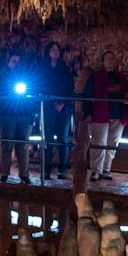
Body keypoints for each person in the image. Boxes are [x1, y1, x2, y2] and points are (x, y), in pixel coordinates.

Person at [0, 50, 36, 184]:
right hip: (8, 114)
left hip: (24, 113)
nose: (16, 64)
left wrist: (31, 112)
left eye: (18, 61)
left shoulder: (26, 76)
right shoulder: (2, 76)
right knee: (7, 144)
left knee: (23, 145)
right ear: (8, 62)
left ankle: (24, 174)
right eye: (14, 61)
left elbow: (32, 92)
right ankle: (4, 173)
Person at [88, 49, 128, 181]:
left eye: (112, 58)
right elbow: (88, 94)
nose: (110, 61)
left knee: (112, 144)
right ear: (103, 61)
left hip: (117, 115)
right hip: (100, 114)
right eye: (108, 58)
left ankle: (106, 169)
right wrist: (88, 113)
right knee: (99, 143)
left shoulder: (121, 77)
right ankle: (96, 170)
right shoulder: (96, 76)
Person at [39, 41, 75, 180]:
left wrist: (62, 103)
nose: (55, 51)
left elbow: (69, 87)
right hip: (48, 107)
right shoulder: (42, 70)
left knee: (62, 138)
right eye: (53, 49)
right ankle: (46, 169)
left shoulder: (65, 69)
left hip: (64, 108)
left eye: (57, 49)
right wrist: (53, 102)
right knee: (47, 138)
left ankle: (62, 169)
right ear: (48, 52)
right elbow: (41, 87)